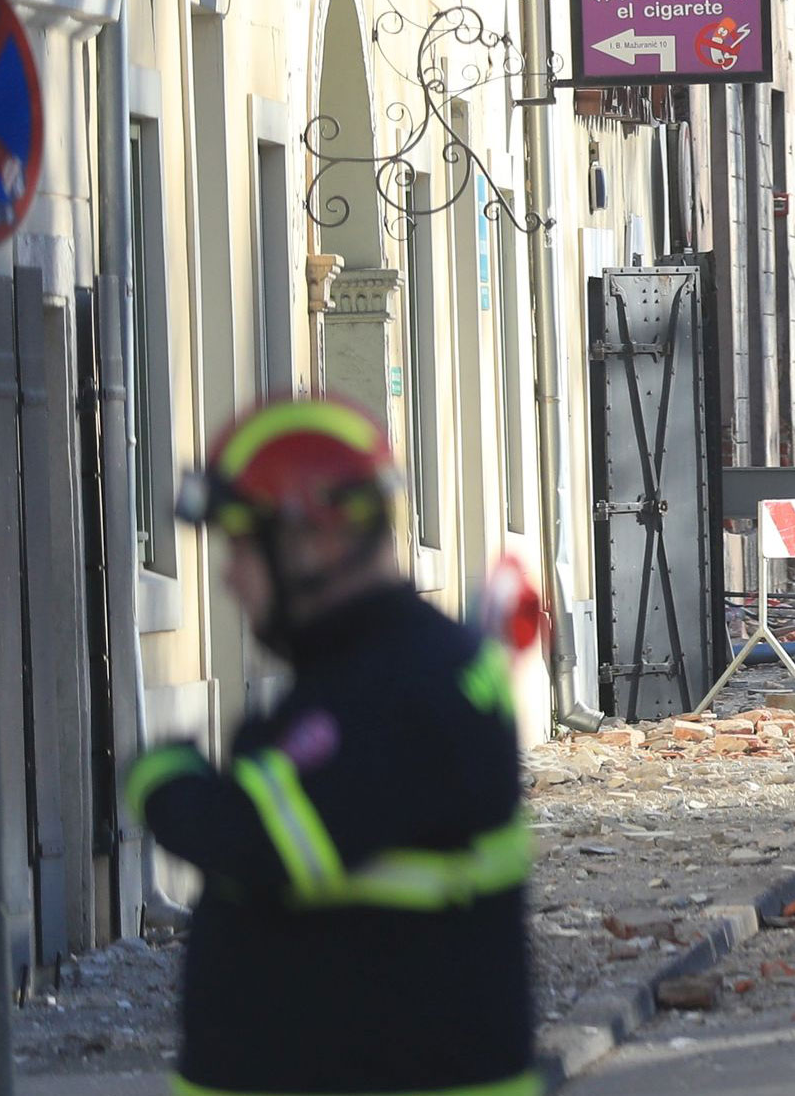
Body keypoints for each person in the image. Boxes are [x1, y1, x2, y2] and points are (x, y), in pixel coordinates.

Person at [125, 396, 534, 1096]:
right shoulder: (392, 667)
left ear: (318, 541)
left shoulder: (399, 687)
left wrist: (165, 782)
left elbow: (265, 840)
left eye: (242, 544)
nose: (228, 574)